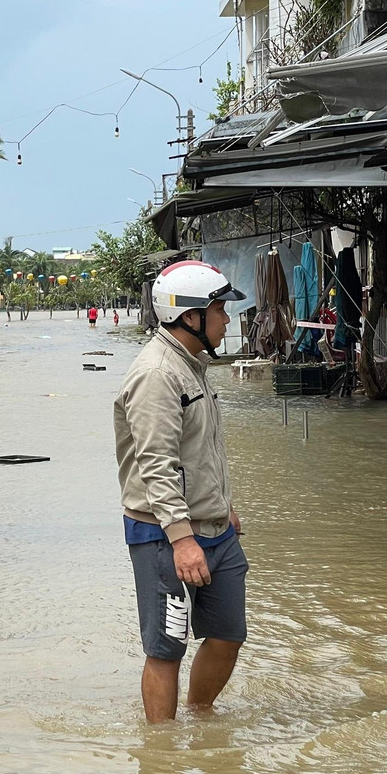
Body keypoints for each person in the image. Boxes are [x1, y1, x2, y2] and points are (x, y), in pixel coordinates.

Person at [114, 260, 248, 723]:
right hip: (164, 535)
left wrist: (224, 506)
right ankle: (162, 749)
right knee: (166, 647)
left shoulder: (193, 365)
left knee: (228, 634)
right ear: (190, 317)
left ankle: (200, 719)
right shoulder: (157, 374)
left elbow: (200, 449)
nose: (227, 319)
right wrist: (182, 539)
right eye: (220, 310)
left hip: (214, 528)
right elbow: (156, 465)